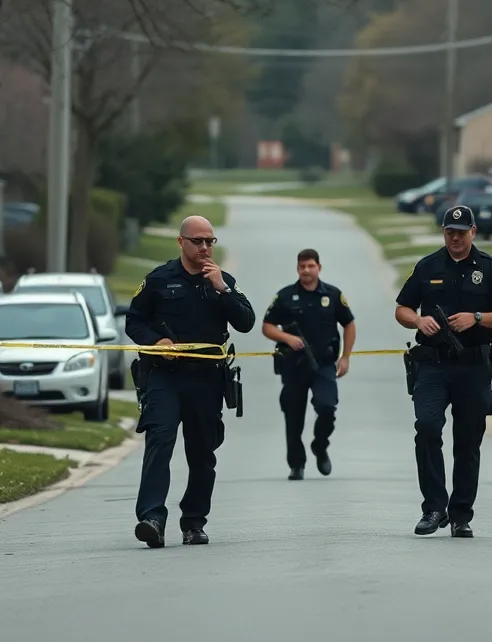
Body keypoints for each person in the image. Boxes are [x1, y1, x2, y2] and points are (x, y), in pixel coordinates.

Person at [123, 215, 256, 547]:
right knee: (160, 441)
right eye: (198, 241)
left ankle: (194, 522)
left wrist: (223, 290)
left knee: (202, 453)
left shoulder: (223, 281)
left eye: (210, 241)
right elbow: (133, 321)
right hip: (164, 378)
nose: (204, 248)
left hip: (206, 382)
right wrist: (157, 343)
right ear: (181, 242)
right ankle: (152, 518)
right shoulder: (158, 280)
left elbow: (246, 322)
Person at [394, 204, 492, 538]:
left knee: (467, 441)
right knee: (428, 427)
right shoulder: (427, 266)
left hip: (473, 366)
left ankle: (461, 514)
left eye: (462, 233)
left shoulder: (491, 269)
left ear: (473, 233)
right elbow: (402, 308)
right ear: (444, 232)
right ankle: (434, 508)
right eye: (450, 232)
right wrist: (418, 320)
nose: (455, 238)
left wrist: (476, 318)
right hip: (432, 364)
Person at [261, 248, 357, 480]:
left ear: (319, 268)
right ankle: (297, 464)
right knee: (293, 416)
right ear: (297, 268)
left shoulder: (332, 295)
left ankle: (320, 445)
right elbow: (267, 326)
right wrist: (287, 338)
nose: (306, 270)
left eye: (310, 266)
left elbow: (349, 324)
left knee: (327, 406)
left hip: (323, 364)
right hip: (293, 365)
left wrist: (346, 356)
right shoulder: (285, 296)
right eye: (302, 266)